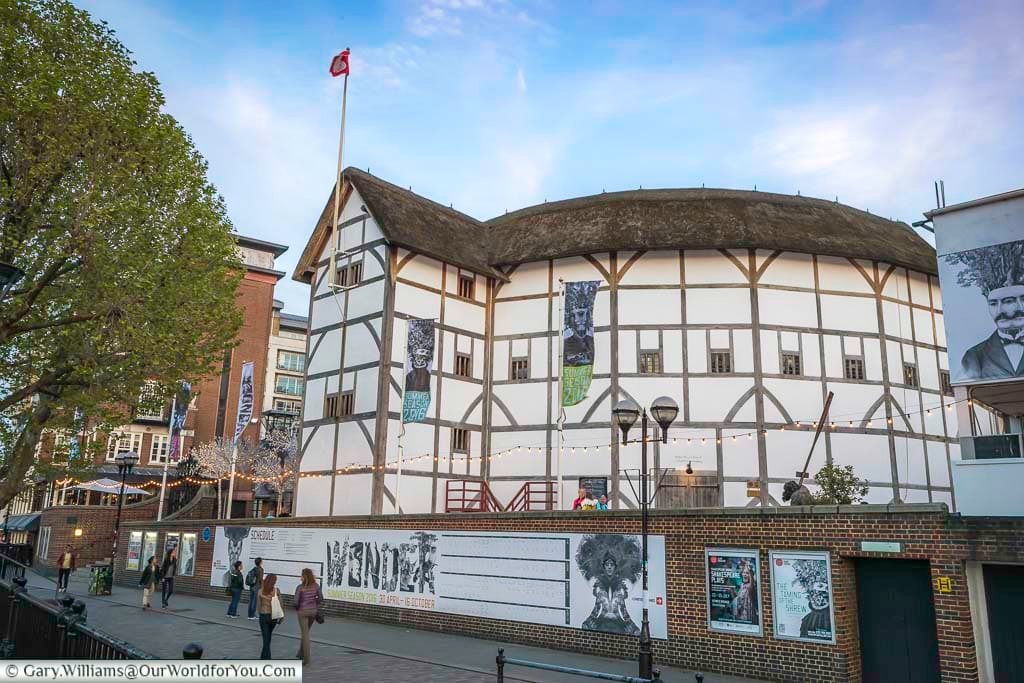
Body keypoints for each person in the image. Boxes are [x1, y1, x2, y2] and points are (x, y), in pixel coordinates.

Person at [293, 568, 322, 665]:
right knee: (306, 633)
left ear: (304, 577)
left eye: (301, 575)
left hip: (302, 612)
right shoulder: (316, 586)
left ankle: (306, 659)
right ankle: (300, 653)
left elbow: (295, 602)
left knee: (305, 635)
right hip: (313, 612)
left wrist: (297, 608)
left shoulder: (300, 587)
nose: (300, 577)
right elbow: (321, 598)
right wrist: (315, 604)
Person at [257, 573, 282, 659]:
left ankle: (266, 658)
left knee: (266, 638)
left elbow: (259, 606)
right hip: (273, 616)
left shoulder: (260, 591)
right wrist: (281, 616)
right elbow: (280, 604)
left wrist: (260, 613)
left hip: (264, 615)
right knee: (268, 637)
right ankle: (264, 658)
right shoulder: (276, 591)